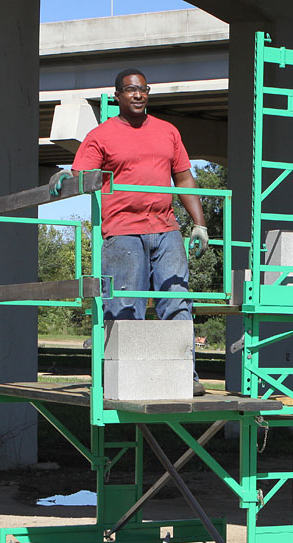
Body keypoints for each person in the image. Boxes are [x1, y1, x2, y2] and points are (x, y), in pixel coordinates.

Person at [52, 68, 209, 396]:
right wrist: (65, 176)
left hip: (166, 229)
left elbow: (183, 178)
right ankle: (122, 377)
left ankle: (184, 375)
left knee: (177, 301)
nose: (138, 95)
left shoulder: (168, 132)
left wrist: (200, 223)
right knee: (125, 304)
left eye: (143, 89)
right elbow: (83, 175)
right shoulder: (102, 135)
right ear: (117, 96)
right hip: (123, 231)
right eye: (130, 90)